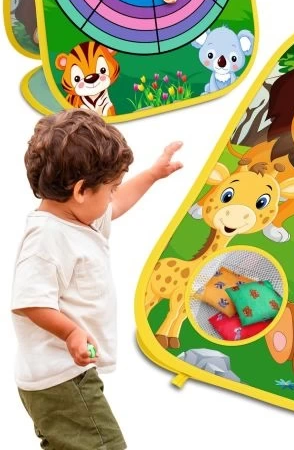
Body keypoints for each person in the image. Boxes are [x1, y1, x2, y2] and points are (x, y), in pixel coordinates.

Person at [12, 109, 183, 449]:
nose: (112, 197)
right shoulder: (46, 237)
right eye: (110, 188)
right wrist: (71, 332)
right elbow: (29, 301)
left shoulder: (77, 218)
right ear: (80, 191)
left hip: (67, 375)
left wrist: (152, 175)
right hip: (60, 378)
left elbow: (115, 205)